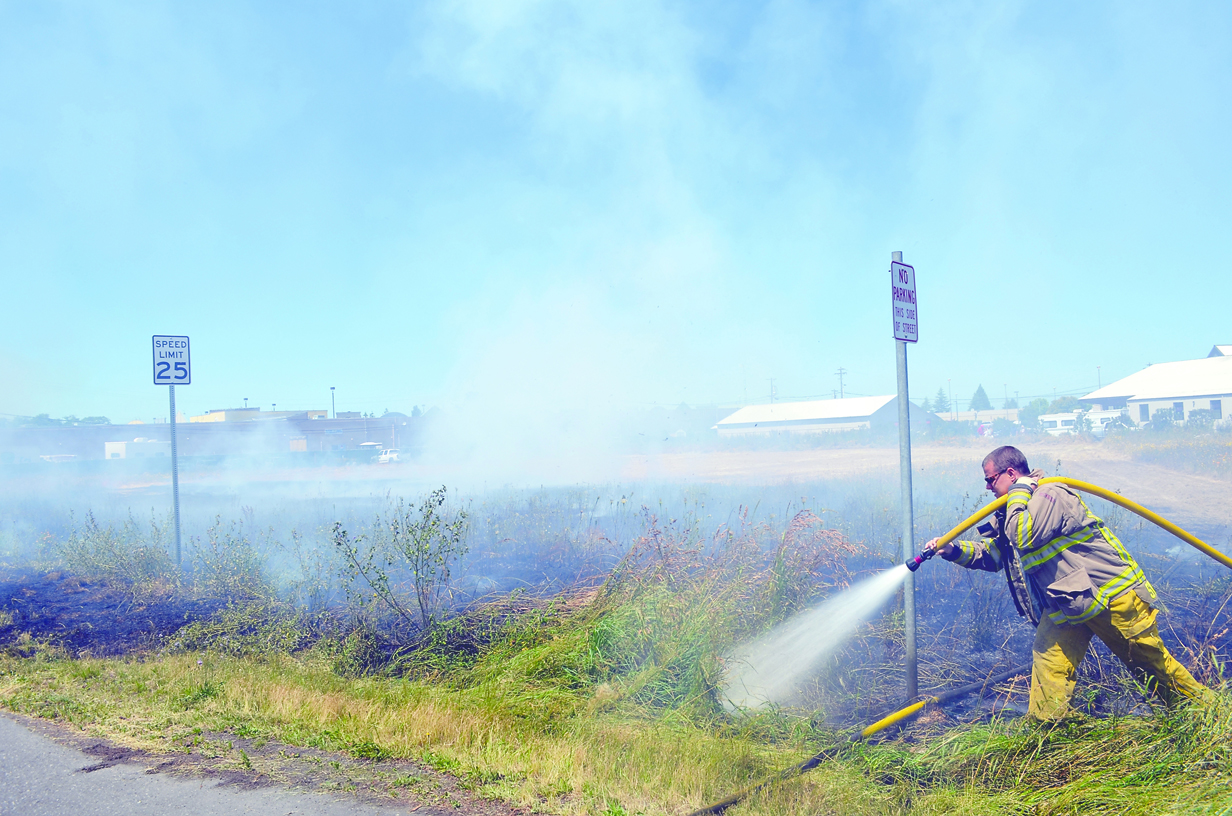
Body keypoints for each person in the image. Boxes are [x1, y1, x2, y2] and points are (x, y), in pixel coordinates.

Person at [925, 445, 1210, 721]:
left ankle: (1205, 713)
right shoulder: (1019, 507)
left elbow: (1023, 536)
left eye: (990, 479)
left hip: (1110, 597)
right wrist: (952, 550)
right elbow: (998, 555)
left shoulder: (1049, 494)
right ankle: (1049, 729)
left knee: (1149, 664)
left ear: (1011, 474)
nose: (987, 488)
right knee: (1049, 662)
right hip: (1068, 604)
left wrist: (1018, 494)